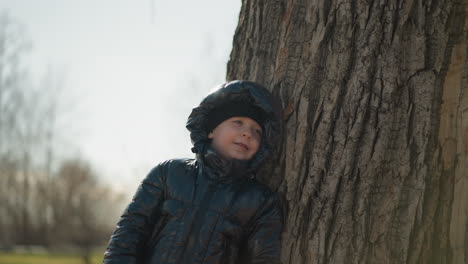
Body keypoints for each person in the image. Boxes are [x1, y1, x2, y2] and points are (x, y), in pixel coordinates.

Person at [103, 80, 283, 264]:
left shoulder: (261, 201)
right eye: (238, 123)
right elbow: (129, 233)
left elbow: (264, 258)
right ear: (211, 130)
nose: (248, 133)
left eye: (257, 131)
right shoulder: (169, 173)